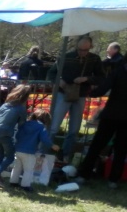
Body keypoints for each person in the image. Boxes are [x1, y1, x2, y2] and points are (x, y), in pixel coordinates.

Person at [46, 35, 103, 162]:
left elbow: (101, 77)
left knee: (74, 129)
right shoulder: (65, 56)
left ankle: (65, 155)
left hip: (81, 95)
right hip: (63, 93)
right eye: (80, 50)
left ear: (90, 48)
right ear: (76, 46)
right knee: (54, 126)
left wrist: (86, 79)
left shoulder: (94, 59)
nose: (83, 53)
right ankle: (45, 153)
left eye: (86, 50)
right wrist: (58, 81)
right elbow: (51, 73)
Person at [75, 54, 127, 189]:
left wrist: (92, 92)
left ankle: (83, 174)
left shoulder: (118, 71)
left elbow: (103, 88)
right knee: (121, 149)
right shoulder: (118, 71)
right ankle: (113, 180)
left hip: (111, 114)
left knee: (97, 145)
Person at [0, 84, 32, 187]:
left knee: (0, 154)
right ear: (25, 97)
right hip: (5, 134)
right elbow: (22, 124)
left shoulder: (5, 105)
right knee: (10, 156)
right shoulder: (21, 108)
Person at [8, 109, 60, 192]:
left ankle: (13, 182)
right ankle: (25, 186)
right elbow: (44, 139)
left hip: (18, 149)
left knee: (17, 167)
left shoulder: (25, 124)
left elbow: (17, 135)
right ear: (45, 120)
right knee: (28, 170)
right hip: (29, 152)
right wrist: (52, 145)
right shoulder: (40, 127)